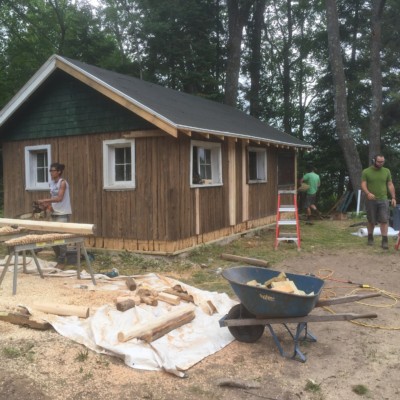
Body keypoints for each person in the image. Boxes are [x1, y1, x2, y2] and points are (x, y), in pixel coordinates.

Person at [38, 163, 72, 265]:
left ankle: (62, 260)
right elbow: (53, 198)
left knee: (61, 239)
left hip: (63, 213)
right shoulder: (52, 183)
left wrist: (45, 200)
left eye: (53, 171)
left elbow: (59, 198)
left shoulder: (63, 183)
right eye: (50, 171)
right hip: (54, 213)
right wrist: (47, 205)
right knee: (52, 237)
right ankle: (58, 257)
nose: (51, 173)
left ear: (59, 172)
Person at [361, 154, 396, 249]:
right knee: (371, 220)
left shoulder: (386, 171)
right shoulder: (366, 171)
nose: (381, 163)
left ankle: (384, 241)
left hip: (383, 199)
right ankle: (370, 237)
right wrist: (368, 193)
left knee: (384, 220)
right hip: (371, 200)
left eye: (382, 162)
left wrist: (393, 197)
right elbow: (363, 184)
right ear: (374, 161)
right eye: (379, 162)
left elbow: (390, 184)